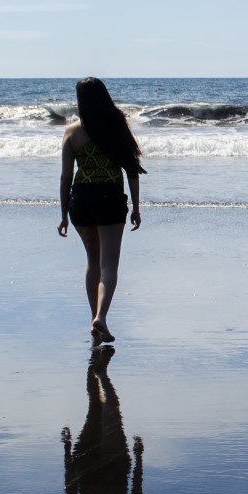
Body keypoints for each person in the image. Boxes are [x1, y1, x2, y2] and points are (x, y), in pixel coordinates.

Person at [57, 77, 144, 343]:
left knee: (92, 261)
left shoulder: (72, 132)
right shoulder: (117, 126)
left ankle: (93, 316)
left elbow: (65, 177)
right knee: (109, 265)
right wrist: (137, 208)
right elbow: (131, 169)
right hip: (109, 198)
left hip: (80, 200)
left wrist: (63, 215)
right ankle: (101, 318)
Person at [61, 344, 147, 494]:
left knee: (102, 409)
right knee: (97, 407)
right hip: (99, 465)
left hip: (110, 465)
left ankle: (98, 368)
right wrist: (67, 450)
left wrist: (139, 457)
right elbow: (69, 490)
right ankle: (98, 369)